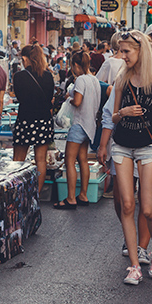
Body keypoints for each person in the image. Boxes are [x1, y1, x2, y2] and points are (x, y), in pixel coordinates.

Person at [108, 30, 152, 284]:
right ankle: (134, 265)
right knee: (127, 205)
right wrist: (123, 112)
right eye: (120, 51)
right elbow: (113, 117)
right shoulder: (121, 78)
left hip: (147, 147)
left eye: (126, 51)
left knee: (147, 209)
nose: (122, 56)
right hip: (122, 146)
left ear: (140, 51)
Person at [54, 51, 104, 209]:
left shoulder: (81, 79)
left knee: (69, 160)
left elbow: (77, 101)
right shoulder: (94, 79)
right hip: (90, 125)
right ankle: (83, 195)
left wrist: (69, 98)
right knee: (83, 159)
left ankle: (70, 198)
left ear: (76, 65)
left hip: (79, 124)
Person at [12, 45, 56, 193]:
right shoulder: (48, 76)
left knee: (18, 159)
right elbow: (50, 98)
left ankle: (16, 192)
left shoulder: (19, 76)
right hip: (44, 120)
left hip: (25, 119)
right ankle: (37, 194)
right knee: (41, 159)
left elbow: (20, 98)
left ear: (25, 59)